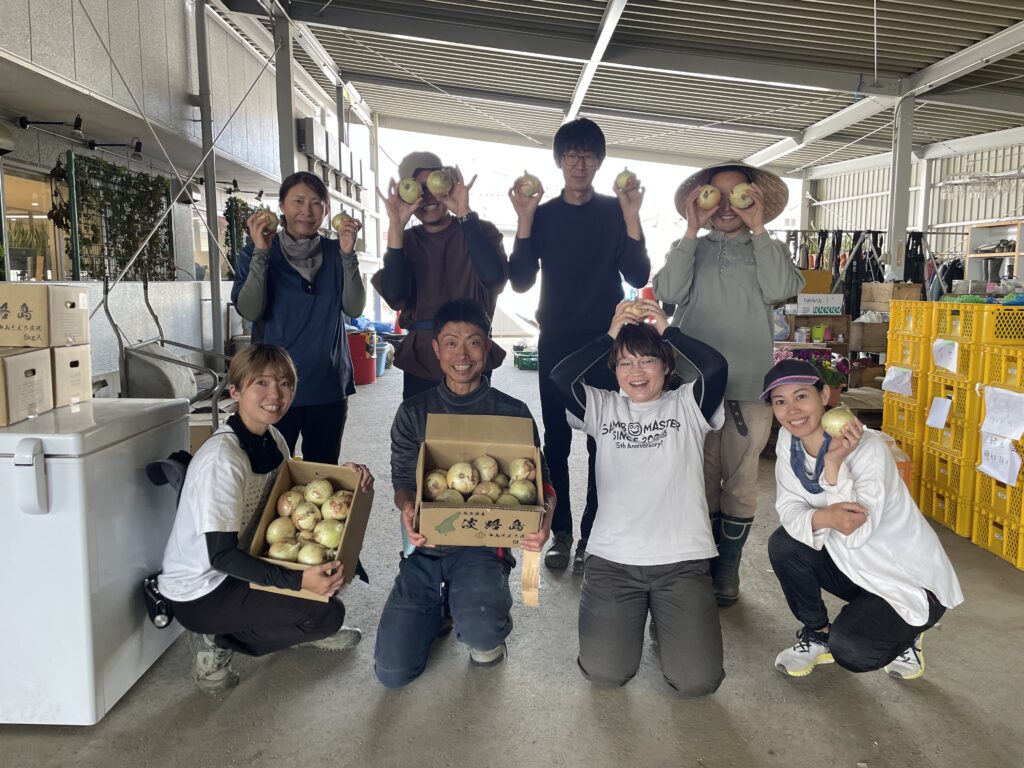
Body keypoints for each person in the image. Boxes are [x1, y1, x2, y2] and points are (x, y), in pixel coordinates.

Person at [158, 344, 374, 693]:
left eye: (285, 383)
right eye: (261, 382)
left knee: (334, 570)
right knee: (325, 615)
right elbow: (221, 557)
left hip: (247, 559)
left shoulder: (272, 438)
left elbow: (290, 499)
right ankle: (215, 640)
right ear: (235, 391)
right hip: (203, 590)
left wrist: (344, 482)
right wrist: (299, 582)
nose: (275, 394)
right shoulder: (222, 461)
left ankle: (288, 619)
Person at [374, 299, 555, 688]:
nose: (462, 355)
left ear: (487, 347)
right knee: (392, 672)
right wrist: (408, 509)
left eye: (473, 342)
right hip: (426, 547)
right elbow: (403, 480)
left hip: (484, 545)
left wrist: (545, 522)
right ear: (436, 349)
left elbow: (544, 482)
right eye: (451, 343)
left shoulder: (512, 412)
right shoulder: (413, 412)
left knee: (483, 638)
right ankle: (442, 604)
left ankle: (473, 606)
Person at [550, 298, 727, 696]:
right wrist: (609, 336)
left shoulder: (688, 404)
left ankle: (665, 621)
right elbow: (560, 377)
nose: (637, 371)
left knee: (696, 682)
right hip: (613, 562)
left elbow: (717, 367)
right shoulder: (603, 407)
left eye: (648, 360)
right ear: (614, 371)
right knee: (605, 673)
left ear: (667, 366)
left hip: (681, 562)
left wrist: (669, 331)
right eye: (625, 362)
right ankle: (644, 619)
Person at [653, 160, 805, 606]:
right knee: (696, 479)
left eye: (737, 195)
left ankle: (727, 570)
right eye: (714, 195)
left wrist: (759, 228)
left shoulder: (768, 249)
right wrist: (689, 231)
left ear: (754, 199)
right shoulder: (689, 248)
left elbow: (781, 288)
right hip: (692, 386)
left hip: (749, 386)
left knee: (739, 482)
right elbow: (668, 292)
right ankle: (699, 563)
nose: (724, 205)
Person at [509, 117, 650, 574]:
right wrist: (525, 220)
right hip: (556, 339)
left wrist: (632, 215)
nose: (579, 164)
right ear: (559, 161)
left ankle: (592, 535)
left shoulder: (614, 210)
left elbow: (638, 274)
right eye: (571, 155)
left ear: (599, 161)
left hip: (605, 341)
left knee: (602, 442)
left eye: (588, 155)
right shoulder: (544, 213)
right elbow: (520, 279)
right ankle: (562, 532)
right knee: (555, 440)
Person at [762, 359, 963, 679]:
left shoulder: (868, 449)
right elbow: (788, 508)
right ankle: (818, 634)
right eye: (780, 402)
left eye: (801, 396)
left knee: (853, 651)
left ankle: (909, 631)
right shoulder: (790, 441)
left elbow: (856, 533)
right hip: (854, 566)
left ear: (824, 395)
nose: (792, 410)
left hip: (907, 578)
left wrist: (834, 466)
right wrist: (827, 516)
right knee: (785, 545)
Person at [232, 171, 365, 464]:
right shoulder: (254, 252)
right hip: (272, 387)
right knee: (270, 471)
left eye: (316, 203)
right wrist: (262, 252)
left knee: (322, 471)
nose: (307, 210)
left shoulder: (336, 252)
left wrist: (348, 255)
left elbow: (354, 308)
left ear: (326, 211)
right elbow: (250, 310)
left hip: (326, 384)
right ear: (282, 206)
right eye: (298, 201)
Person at [372, 151, 509, 400]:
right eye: (418, 188)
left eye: (432, 186)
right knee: (421, 423)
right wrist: (396, 226)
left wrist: (464, 213)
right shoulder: (406, 240)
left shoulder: (479, 230)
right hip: (422, 354)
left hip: (471, 351)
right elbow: (395, 296)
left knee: (474, 422)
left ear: (448, 184)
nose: (427, 197)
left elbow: (493, 278)